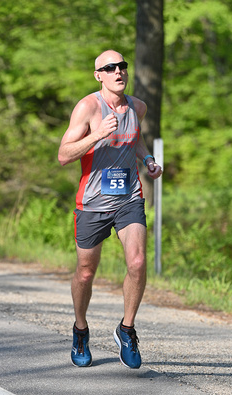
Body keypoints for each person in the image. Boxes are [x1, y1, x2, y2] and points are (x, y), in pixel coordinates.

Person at [58, 49, 162, 369]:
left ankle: (126, 329)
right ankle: (80, 329)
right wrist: (97, 134)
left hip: (128, 198)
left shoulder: (137, 107)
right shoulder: (88, 107)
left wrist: (146, 159)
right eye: (110, 67)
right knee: (86, 272)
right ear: (98, 75)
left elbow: (135, 141)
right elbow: (64, 154)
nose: (119, 71)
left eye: (122, 66)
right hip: (91, 203)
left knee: (138, 261)